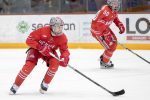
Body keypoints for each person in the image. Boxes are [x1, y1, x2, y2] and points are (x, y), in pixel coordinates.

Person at [9, 17, 70, 94]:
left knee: (55, 63)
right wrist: (39, 47)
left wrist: (65, 58)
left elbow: (65, 50)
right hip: (36, 50)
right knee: (29, 65)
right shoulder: (43, 30)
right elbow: (29, 40)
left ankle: (45, 83)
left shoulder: (62, 37)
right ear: (52, 26)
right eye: (58, 27)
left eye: (61, 26)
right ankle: (16, 85)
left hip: (49, 52)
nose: (60, 29)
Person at [90, 0, 125, 69]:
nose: (117, 5)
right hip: (98, 32)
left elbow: (115, 18)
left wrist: (120, 25)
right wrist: (106, 33)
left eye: (117, 3)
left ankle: (104, 58)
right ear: (110, 3)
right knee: (111, 47)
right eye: (115, 3)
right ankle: (104, 62)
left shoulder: (113, 10)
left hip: (104, 28)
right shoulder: (105, 10)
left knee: (114, 42)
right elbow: (97, 22)